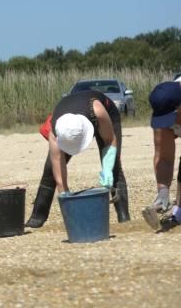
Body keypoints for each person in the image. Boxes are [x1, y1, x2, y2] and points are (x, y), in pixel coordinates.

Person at [25, 89, 129, 228]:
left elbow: (110, 140)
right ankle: (37, 217)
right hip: (74, 114)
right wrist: (68, 205)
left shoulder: (97, 110)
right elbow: (59, 178)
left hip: (106, 114)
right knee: (50, 170)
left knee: (114, 166)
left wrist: (108, 168)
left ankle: (124, 218)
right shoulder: (55, 131)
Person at [142, 79, 181, 229]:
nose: (167, 123)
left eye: (171, 117)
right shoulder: (164, 107)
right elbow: (164, 158)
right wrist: (163, 191)